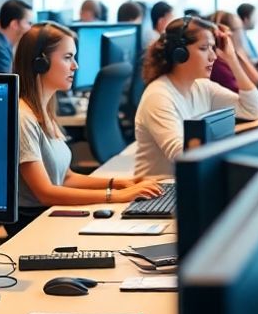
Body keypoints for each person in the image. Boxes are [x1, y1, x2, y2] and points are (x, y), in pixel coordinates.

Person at [11, 23, 162, 229]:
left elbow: (66, 177)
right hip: (34, 224)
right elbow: (45, 193)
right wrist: (115, 196)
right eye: (67, 57)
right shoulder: (23, 117)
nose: (75, 66)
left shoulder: (44, 111)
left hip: (51, 216)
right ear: (41, 63)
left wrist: (119, 183)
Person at [134, 17, 258, 179]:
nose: (213, 56)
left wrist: (232, 58)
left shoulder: (202, 86)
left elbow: (254, 110)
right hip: (159, 193)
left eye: (213, 48)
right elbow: (182, 156)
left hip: (189, 184)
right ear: (180, 53)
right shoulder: (159, 96)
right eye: (204, 48)